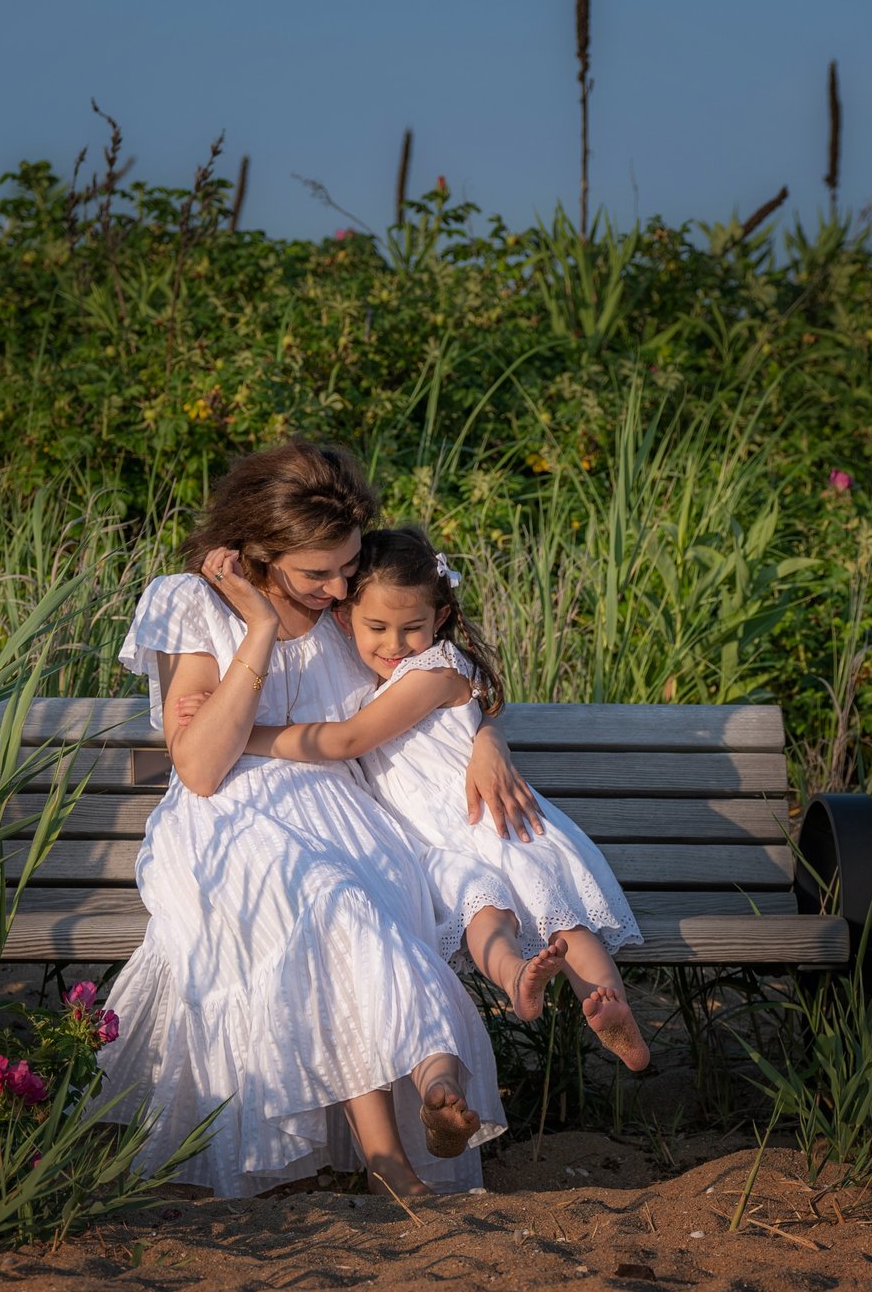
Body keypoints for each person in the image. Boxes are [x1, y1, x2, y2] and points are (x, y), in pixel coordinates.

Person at [98, 441, 537, 1198]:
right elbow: (202, 767)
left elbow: (443, 674)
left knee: (355, 905)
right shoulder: (190, 604)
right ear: (257, 552)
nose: (338, 588)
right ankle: (388, 1153)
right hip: (229, 820)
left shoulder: (348, 606)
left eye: (347, 565)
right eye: (317, 574)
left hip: (347, 815)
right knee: (326, 898)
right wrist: (260, 630)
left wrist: (489, 737)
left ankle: (419, 1111)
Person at [225, 524, 652, 1072]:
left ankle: (611, 1009)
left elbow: (347, 740)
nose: (394, 643)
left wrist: (244, 736)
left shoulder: (437, 668)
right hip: (436, 850)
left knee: (561, 915)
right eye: (376, 626)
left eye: (412, 627)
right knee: (483, 912)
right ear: (344, 617)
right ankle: (517, 978)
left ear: (441, 620)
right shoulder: (377, 677)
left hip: (491, 824)